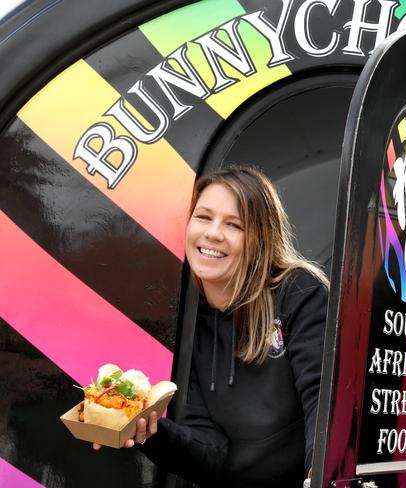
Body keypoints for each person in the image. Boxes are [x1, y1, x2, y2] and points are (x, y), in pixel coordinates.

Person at [94, 165, 329, 487]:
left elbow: (323, 397)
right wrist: (149, 430)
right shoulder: (187, 318)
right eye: (203, 217)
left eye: (234, 224)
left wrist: (320, 475)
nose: (213, 233)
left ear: (260, 238)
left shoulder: (299, 291)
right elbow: (212, 456)